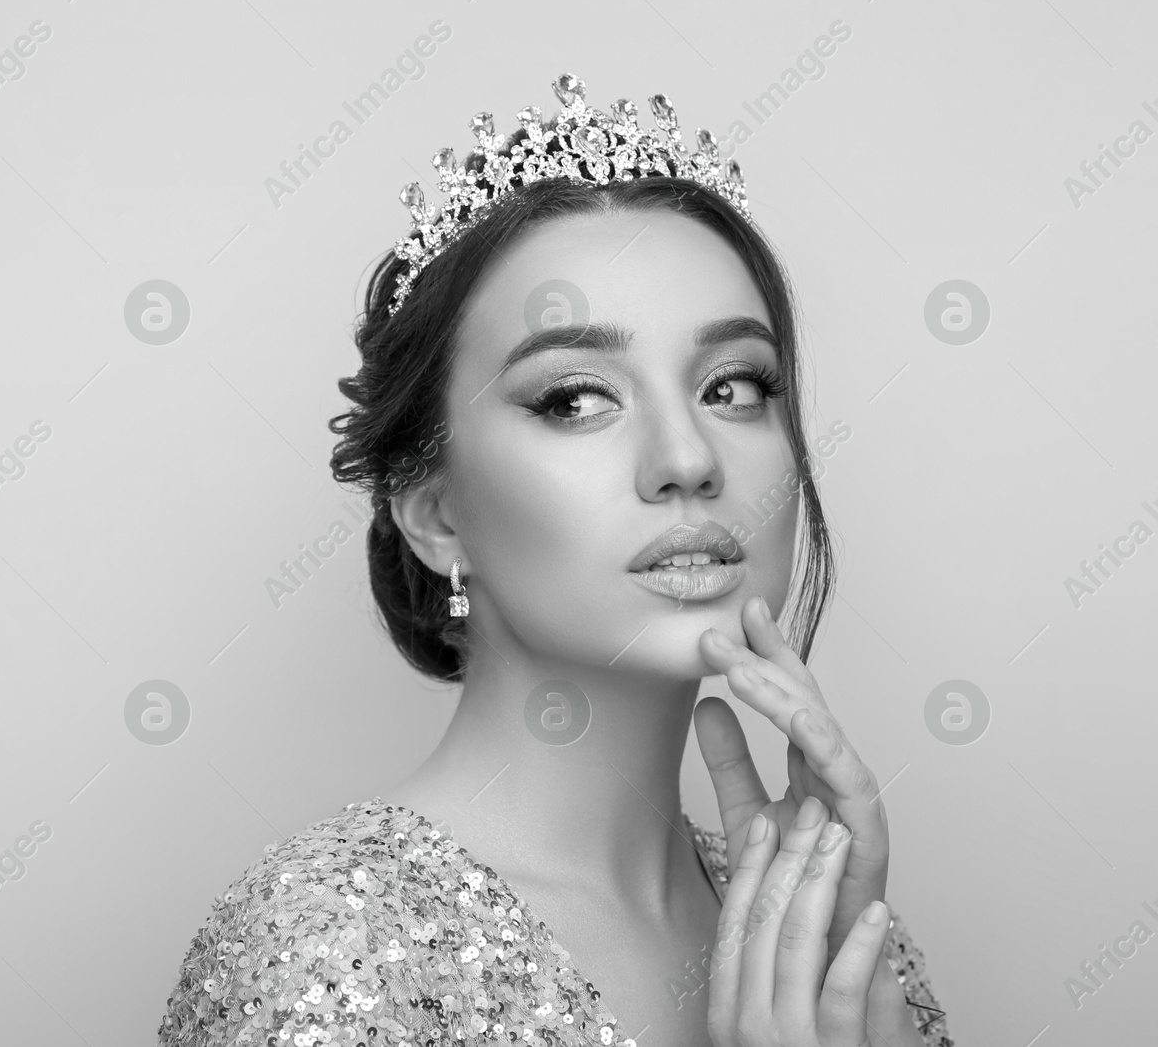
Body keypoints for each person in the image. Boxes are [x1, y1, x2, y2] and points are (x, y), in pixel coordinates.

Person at [159, 73, 952, 1047]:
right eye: (574, 397)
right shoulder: (328, 953)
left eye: (734, 385)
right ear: (437, 514)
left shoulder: (839, 946)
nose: (688, 458)